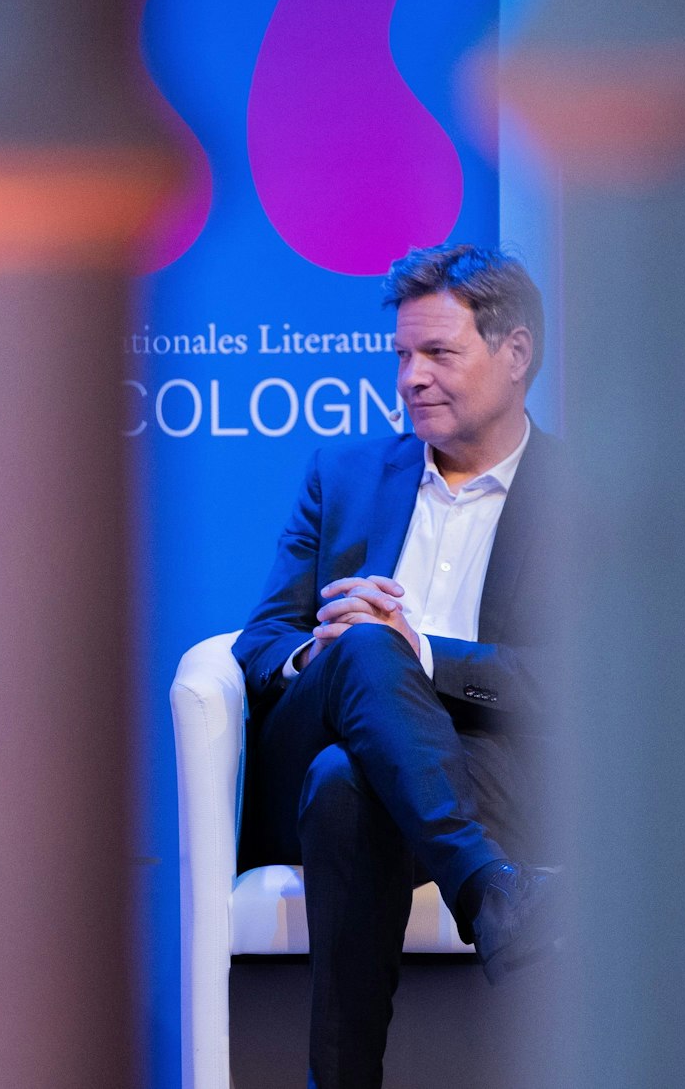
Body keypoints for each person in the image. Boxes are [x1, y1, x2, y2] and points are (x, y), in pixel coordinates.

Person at [233, 244, 566, 1088]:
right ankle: (490, 887)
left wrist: (426, 653)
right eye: (402, 356)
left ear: (516, 354)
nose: (412, 377)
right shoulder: (342, 476)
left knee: (351, 783)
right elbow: (262, 641)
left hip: (480, 768)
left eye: (439, 353)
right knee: (365, 653)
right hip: (314, 735)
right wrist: (330, 644)